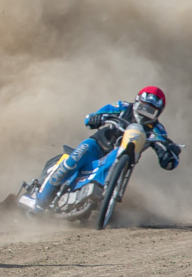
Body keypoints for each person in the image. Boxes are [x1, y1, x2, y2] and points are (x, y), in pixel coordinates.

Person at [33, 86, 181, 210]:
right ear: (137, 101)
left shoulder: (157, 129)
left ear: (158, 113)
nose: (144, 113)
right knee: (72, 161)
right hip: (96, 145)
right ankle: (38, 203)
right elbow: (92, 117)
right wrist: (96, 118)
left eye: (151, 111)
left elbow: (168, 160)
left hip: (120, 155)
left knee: (116, 156)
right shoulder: (122, 107)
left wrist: (169, 153)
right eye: (143, 107)